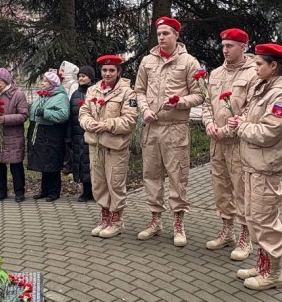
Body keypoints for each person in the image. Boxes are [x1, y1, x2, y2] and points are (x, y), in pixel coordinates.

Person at [227, 43, 282, 292]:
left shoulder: (281, 94)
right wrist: (242, 120)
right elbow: (253, 117)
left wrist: (241, 127)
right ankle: (263, 265)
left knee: (265, 220)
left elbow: (269, 131)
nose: (255, 67)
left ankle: (274, 273)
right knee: (254, 217)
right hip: (253, 162)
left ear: (273, 66)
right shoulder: (264, 87)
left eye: (259, 64)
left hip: (266, 165)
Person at [135, 16, 204, 246]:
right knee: (151, 175)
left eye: (166, 33)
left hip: (175, 128)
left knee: (178, 176)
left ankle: (178, 222)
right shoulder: (147, 61)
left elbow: (200, 95)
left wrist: (180, 102)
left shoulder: (189, 62)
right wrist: (144, 110)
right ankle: (155, 220)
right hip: (152, 127)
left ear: (176, 35)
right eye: (159, 34)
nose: (161, 37)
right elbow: (139, 90)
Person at [201, 28, 259, 260]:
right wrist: (208, 123)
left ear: (243, 47)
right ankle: (227, 230)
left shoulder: (254, 73)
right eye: (223, 46)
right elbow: (207, 103)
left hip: (238, 143)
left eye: (230, 46)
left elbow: (252, 108)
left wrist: (228, 129)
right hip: (217, 142)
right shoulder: (215, 74)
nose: (225, 50)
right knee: (221, 187)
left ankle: (246, 236)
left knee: (240, 188)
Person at [79, 55, 138, 238]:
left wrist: (108, 124)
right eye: (104, 70)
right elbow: (84, 112)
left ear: (118, 72)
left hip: (115, 145)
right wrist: (89, 123)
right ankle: (104, 217)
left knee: (115, 183)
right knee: (99, 182)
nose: (107, 73)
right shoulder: (93, 90)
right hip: (95, 144)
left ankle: (117, 221)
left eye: (111, 70)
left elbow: (130, 120)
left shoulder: (128, 93)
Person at [0, 68, 29, 202]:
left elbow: (24, 115)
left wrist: (7, 119)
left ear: (7, 81)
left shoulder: (18, 95)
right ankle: (0, 191)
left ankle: (19, 192)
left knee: (15, 164)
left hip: (12, 135)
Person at [27, 71, 70, 201]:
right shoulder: (43, 96)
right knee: (43, 162)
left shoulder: (61, 97)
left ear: (52, 84)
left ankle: (54, 191)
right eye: (42, 81)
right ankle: (44, 190)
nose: (42, 83)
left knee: (52, 162)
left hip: (52, 133)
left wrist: (45, 113)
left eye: (45, 81)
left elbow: (63, 115)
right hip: (40, 131)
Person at [68, 65, 96, 202]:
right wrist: (68, 136)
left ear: (90, 78)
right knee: (81, 162)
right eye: (79, 76)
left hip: (92, 132)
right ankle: (86, 191)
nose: (81, 78)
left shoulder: (95, 92)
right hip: (77, 133)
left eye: (83, 76)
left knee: (91, 162)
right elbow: (70, 117)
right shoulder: (75, 95)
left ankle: (96, 191)